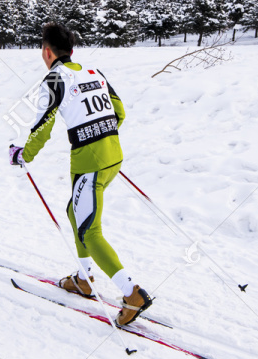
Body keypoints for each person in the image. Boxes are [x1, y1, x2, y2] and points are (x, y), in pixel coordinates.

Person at [9, 22, 152, 326]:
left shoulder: (54, 80)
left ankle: (132, 293)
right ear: (71, 50)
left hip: (90, 162)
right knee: (75, 214)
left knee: (89, 229)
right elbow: (120, 112)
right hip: (111, 156)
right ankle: (84, 279)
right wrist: (104, 138)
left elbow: (42, 127)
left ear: (47, 52)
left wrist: (24, 155)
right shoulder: (94, 74)